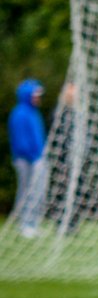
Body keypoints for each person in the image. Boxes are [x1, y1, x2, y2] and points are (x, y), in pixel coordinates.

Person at [8, 78, 47, 238]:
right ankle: (25, 224)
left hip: (37, 159)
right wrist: (34, 158)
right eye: (35, 94)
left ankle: (33, 223)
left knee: (37, 192)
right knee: (26, 192)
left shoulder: (34, 113)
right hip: (26, 160)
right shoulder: (19, 114)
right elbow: (21, 142)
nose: (37, 98)